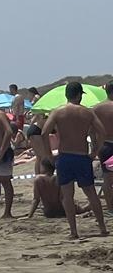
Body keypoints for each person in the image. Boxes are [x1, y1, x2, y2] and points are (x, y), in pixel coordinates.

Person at [41, 82, 108, 239]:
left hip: (65, 156)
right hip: (82, 156)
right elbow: (102, 133)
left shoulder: (57, 112)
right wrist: (95, 152)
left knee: (67, 195)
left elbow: (44, 132)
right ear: (79, 95)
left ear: (66, 95)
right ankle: (102, 229)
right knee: (91, 193)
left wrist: (48, 154)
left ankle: (73, 231)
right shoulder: (87, 112)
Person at [92, 81, 113, 213]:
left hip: (104, 145)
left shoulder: (96, 108)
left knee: (107, 179)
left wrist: (95, 147)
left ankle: (110, 209)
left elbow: (91, 131)